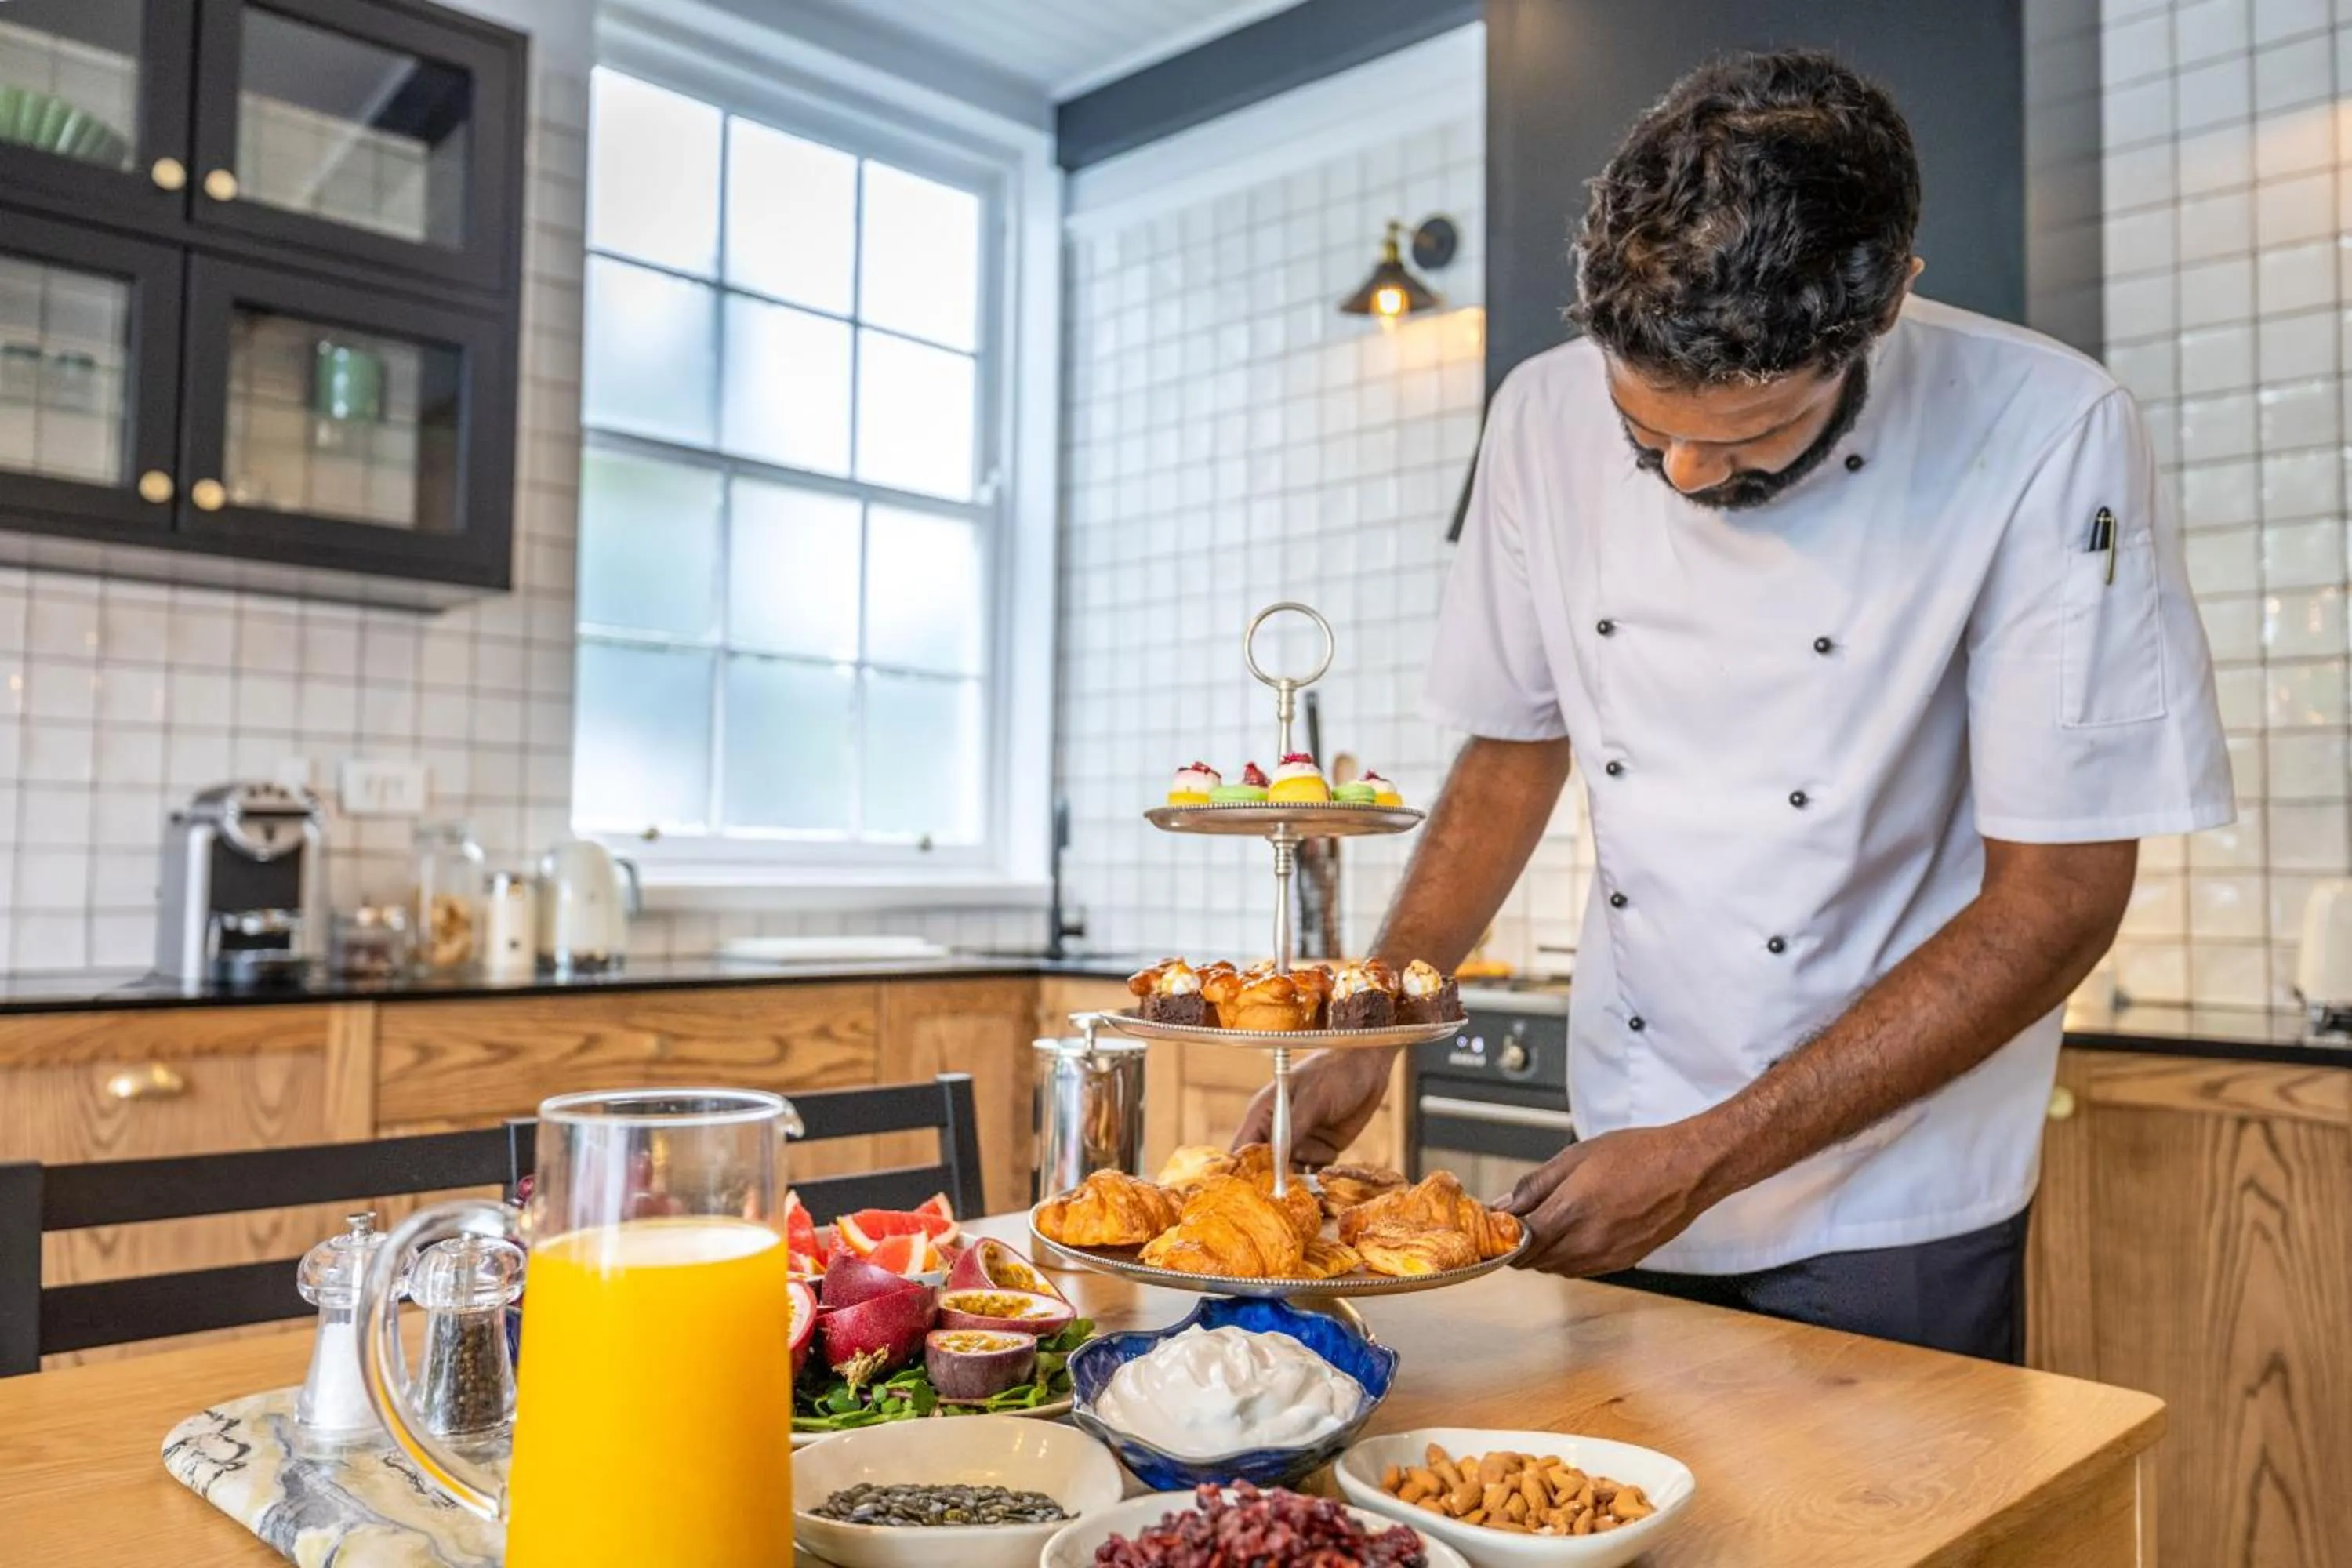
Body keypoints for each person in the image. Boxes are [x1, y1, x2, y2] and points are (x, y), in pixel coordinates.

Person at [1233, 49, 2231, 1363]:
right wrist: (1381, 1018)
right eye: (1646, 434)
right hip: (1628, 1128)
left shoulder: (2049, 430)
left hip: (1898, 1196)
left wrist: (1709, 1155)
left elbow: (2059, 899)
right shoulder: (1535, 416)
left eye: (1748, 438)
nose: (1689, 474)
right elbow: (1510, 756)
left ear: (1887, 311)